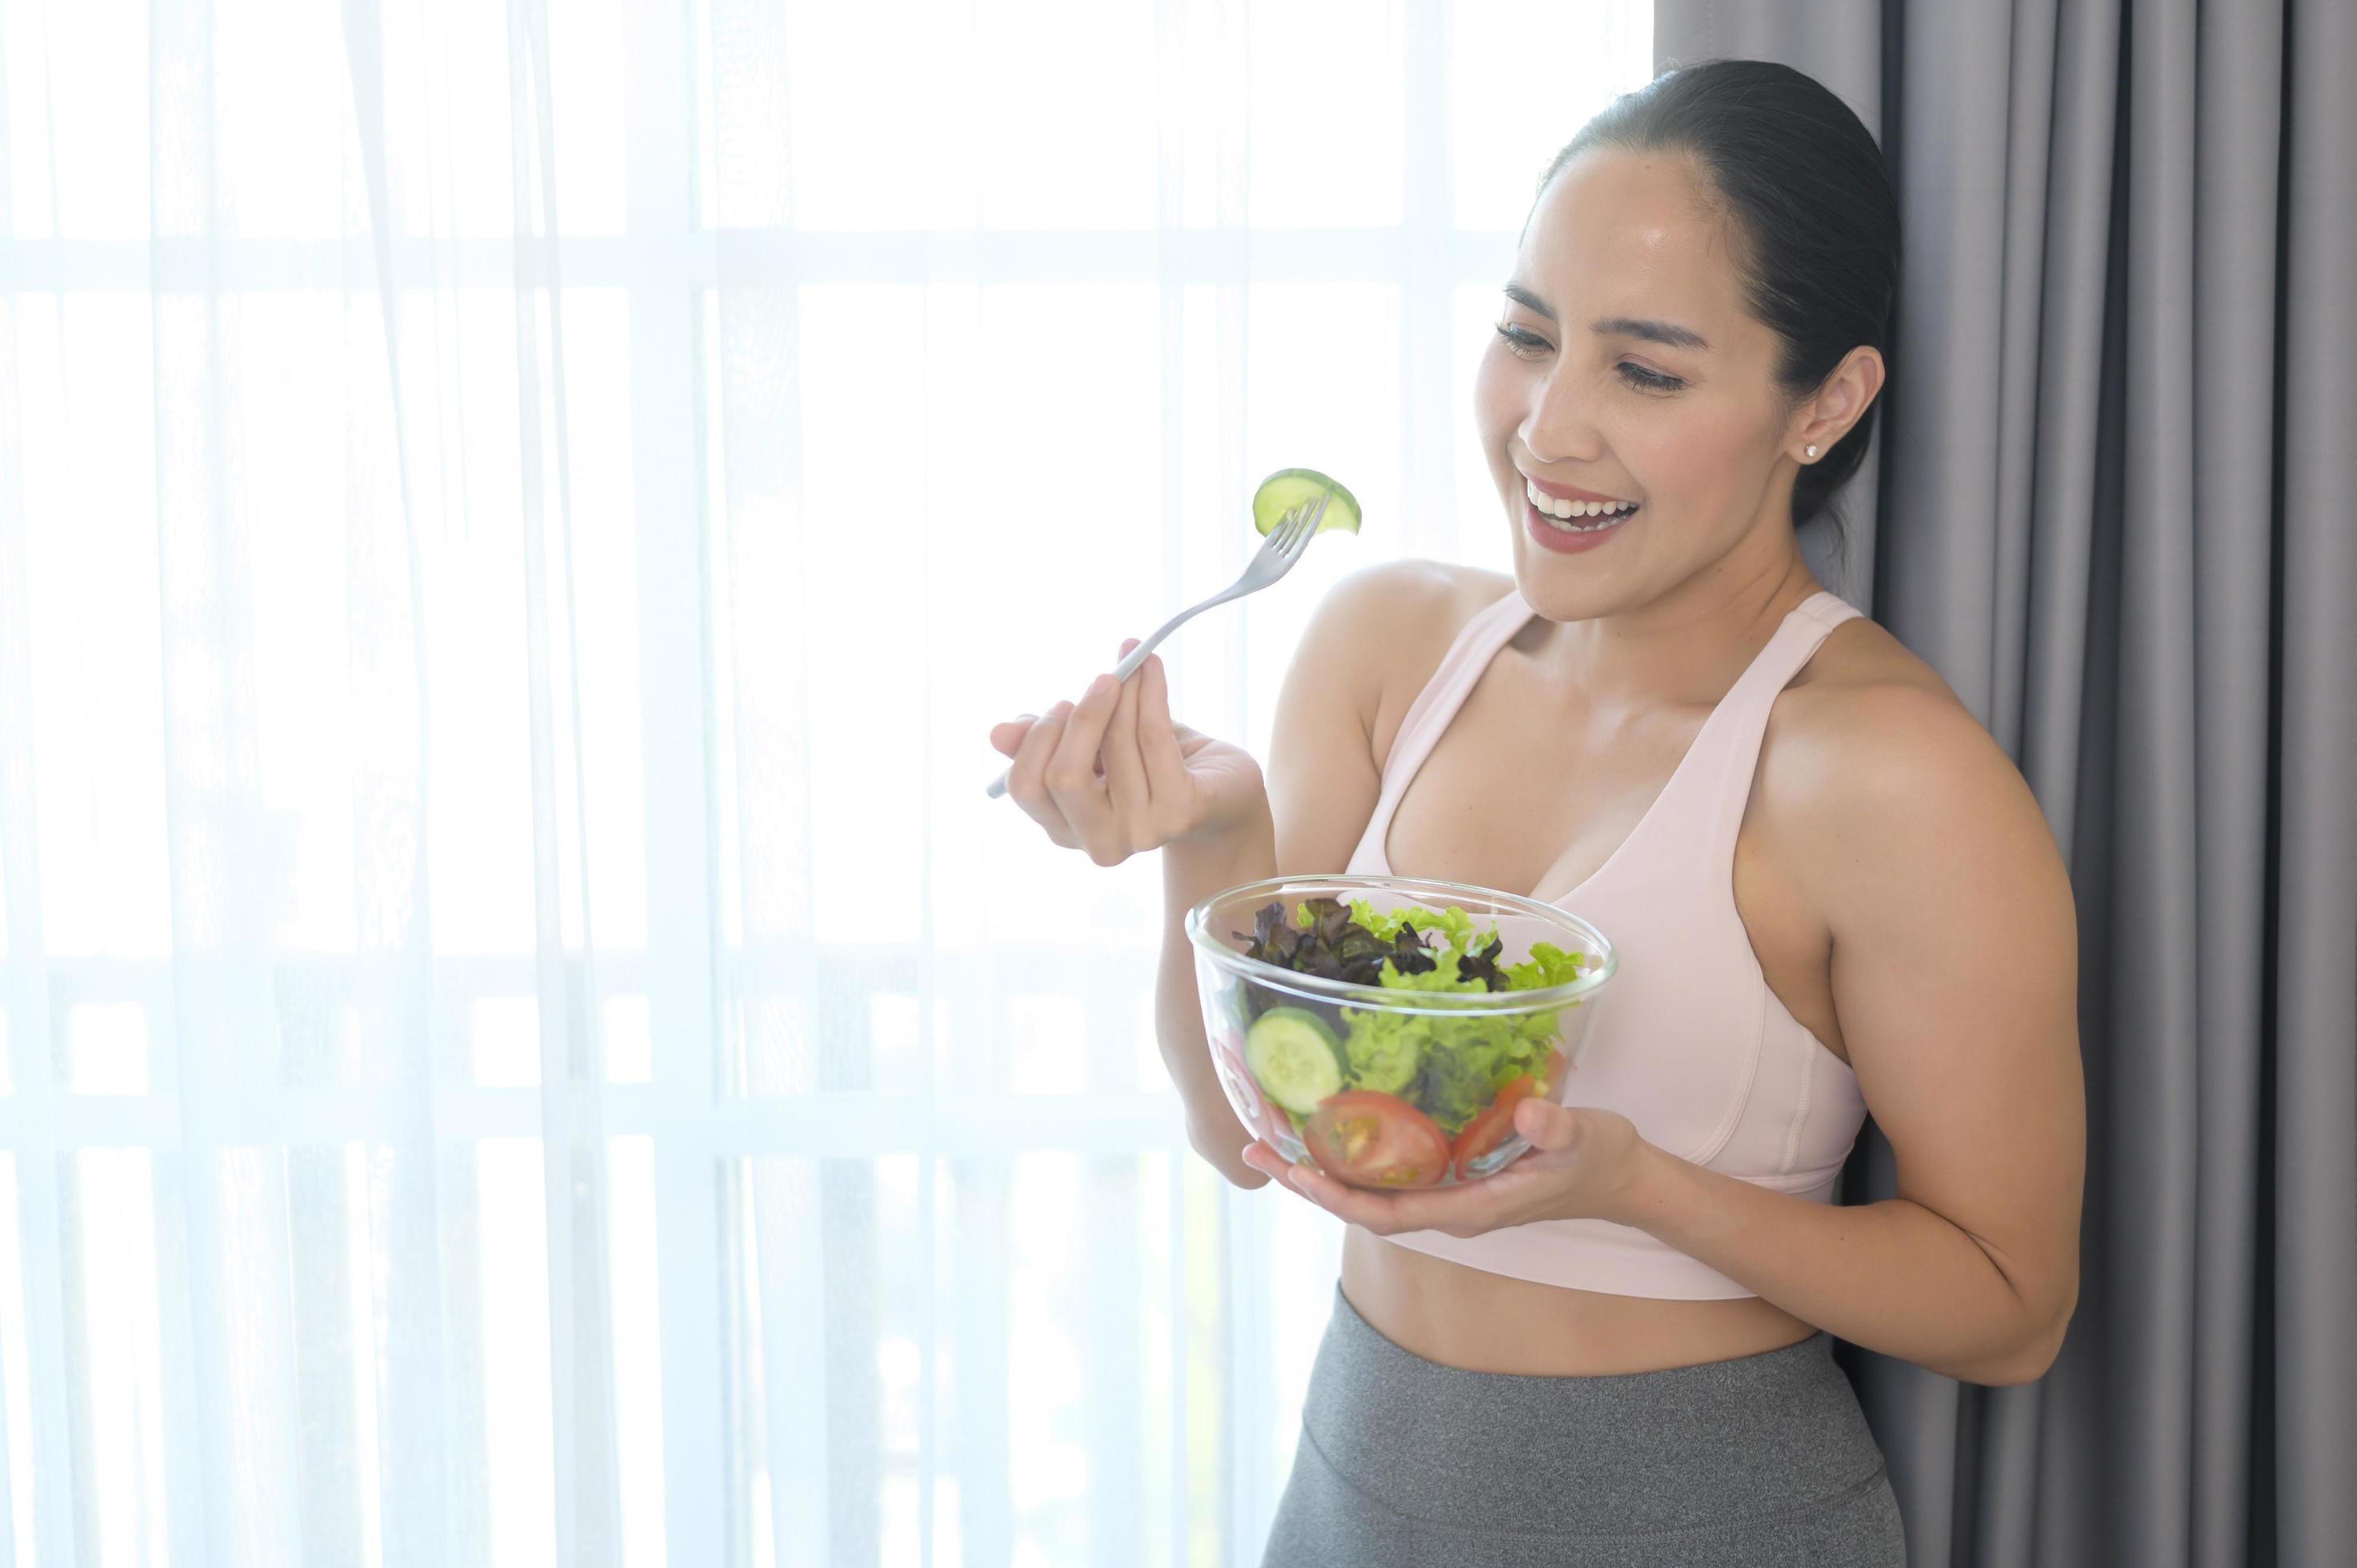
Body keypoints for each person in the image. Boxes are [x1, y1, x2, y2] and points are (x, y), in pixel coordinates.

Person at [989, 58, 2082, 1567]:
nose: (1545, 427)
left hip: (1701, 1518)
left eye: (1645, 371)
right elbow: (1241, 1135)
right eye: (1524, 335)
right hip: (1349, 1488)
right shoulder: (1385, 650)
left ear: (1823, 400)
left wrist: (1638, 1185)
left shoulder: (1883, 774)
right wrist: (1212, 845)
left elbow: (2009, 1310)